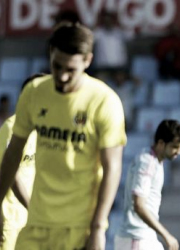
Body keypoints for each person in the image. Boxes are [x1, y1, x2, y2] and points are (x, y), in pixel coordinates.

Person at [0, 22, 127, 250]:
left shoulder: (104, 102)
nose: (63, 76)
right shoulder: (34, 92)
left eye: (71, 70)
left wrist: (98, 228)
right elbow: (13, 154)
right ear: (51, 53)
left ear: (88, 61)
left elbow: (112, 168)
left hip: (78, 229)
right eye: (57, 67)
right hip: (36, 225)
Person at [114, 119, 180, 250]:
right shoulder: (147, 162)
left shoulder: (154, 161)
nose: (179, 152)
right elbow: (139, 205)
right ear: (161, 143)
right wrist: (166, 234)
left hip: (144, 237)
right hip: (136, 237)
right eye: (175, 147)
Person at [0, 75, 43, 250]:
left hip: (30, 221)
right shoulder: (11, 127)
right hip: (10, 222)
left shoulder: (43, 130)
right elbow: (12, 175)